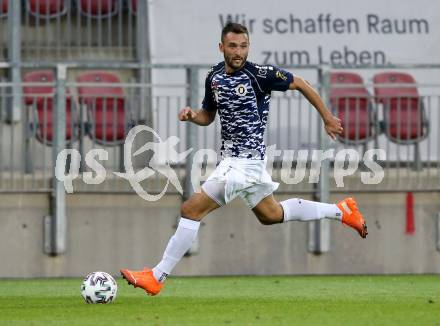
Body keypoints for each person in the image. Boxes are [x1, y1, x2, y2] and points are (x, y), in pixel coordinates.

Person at [120, 22, 367, 296]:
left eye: (243, 46)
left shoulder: (260, 74)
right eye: (233, 46)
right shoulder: (213, 77)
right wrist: (193, 116)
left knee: (190, 209)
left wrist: (327, 117)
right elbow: (208, 115)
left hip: (244, 163)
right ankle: (341, 211)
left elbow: (300, 83)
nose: (239, 52)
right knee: (271, 215)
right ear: (221, 47)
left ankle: (157, 276)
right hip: (239, 163)